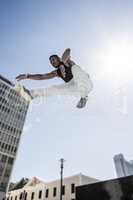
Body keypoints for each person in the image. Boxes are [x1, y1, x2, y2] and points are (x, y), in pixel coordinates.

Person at [16, 48, 93, 108]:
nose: (52, 62)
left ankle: (84, 97)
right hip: (75, 88)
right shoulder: (57, 72)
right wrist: (27, 76)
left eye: (53, 59)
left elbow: (68, 50)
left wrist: (62, 63)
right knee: (55, 88)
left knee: (75, 68)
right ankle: (31, 94)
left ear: (59, 58)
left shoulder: (67, 61)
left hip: (86, 83)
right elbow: (42, 76)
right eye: (51, 62)